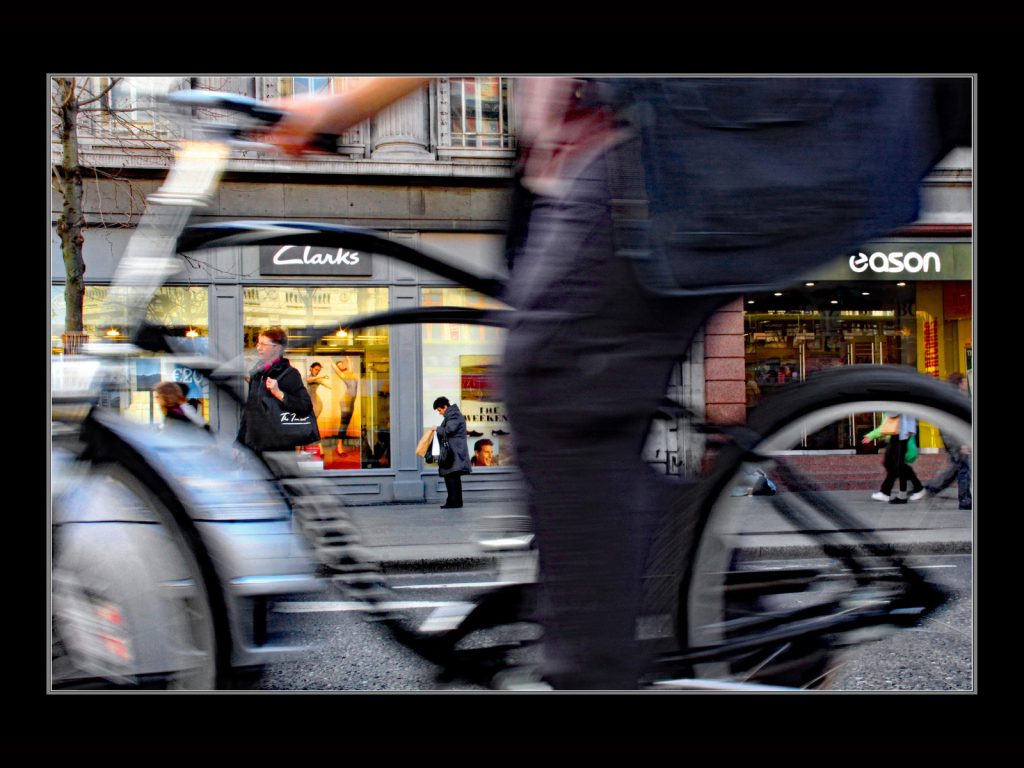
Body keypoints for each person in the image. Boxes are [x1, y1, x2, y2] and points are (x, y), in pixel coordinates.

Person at [261, 76, 968, 689]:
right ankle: (741, 627)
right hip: (616, 160)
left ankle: (601, 670)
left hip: (687, 143)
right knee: (579, 414)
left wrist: (347, 101)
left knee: (556, 383)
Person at [236, 326, 317, 453]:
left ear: (277, 348)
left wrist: (279, 394)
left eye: (263, 344)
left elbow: (305, 406)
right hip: (255, 448)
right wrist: (239, 444)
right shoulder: (257, 374)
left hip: (279, 450)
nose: (258, 348)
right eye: (258, 343)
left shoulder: (289, 374)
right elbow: (249, 412)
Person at [923, 372, 972, 510]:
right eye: (963, 382)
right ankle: (965, 501)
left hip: (951, 439)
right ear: (960, 383)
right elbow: (953, 424)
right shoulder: (955, 398)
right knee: (963, 469)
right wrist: (961, 443)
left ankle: (933, 488)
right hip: (955, 439)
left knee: (957, 468)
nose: (965, 385)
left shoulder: (950, 397)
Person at [862, 413, 926, 504]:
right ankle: (915, 489)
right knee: (895, 464)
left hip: (900, 433)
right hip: (898, 433)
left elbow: (893, 414)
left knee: (897, 464)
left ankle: (894, 493)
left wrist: (872, 435)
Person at [431, 396, 471, 508]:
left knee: (451, 476)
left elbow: (450, 430)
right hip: (455, 451)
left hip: (454, 453)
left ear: (445, 406)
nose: (439, 413)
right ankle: (455, 501)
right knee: (453, 477)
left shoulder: (453, 415)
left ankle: (453, 502)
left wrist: (436, 429)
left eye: (440, 410)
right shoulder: (453, 414)